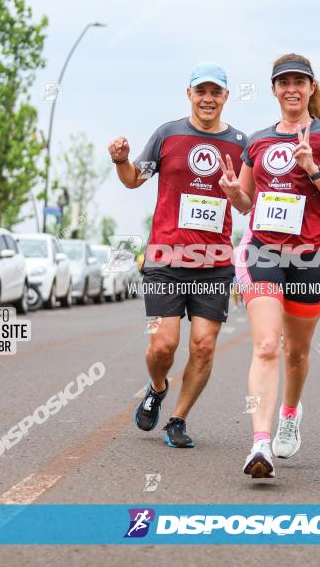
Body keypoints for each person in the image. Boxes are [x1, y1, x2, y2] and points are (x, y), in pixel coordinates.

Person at [219, 53, 320, 478]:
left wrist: (312, 168)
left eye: (300, 81)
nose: (291, 88)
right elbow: (245, 202)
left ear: (311, 88)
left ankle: (290, 413)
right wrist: (230, 192)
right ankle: (260, 444)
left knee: (296, 352)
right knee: (265, 345)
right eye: (283, 82)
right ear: (274, 89)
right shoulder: (256, 141)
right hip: (262, 252)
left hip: (311, 256)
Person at [108, 61, 247, 448]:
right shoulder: (167, 135)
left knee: (203, 345)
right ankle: (157, 386)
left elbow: (248, 201)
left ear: (225, 97)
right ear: (189, 94)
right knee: (162, 345)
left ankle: (178, 419)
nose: (208, 98)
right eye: (200, 91)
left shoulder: (240, 144)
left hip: (215, 263)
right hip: (165, 261)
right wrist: (121, 159)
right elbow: (135, 179)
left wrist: (236, 192)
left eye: (215, 92)